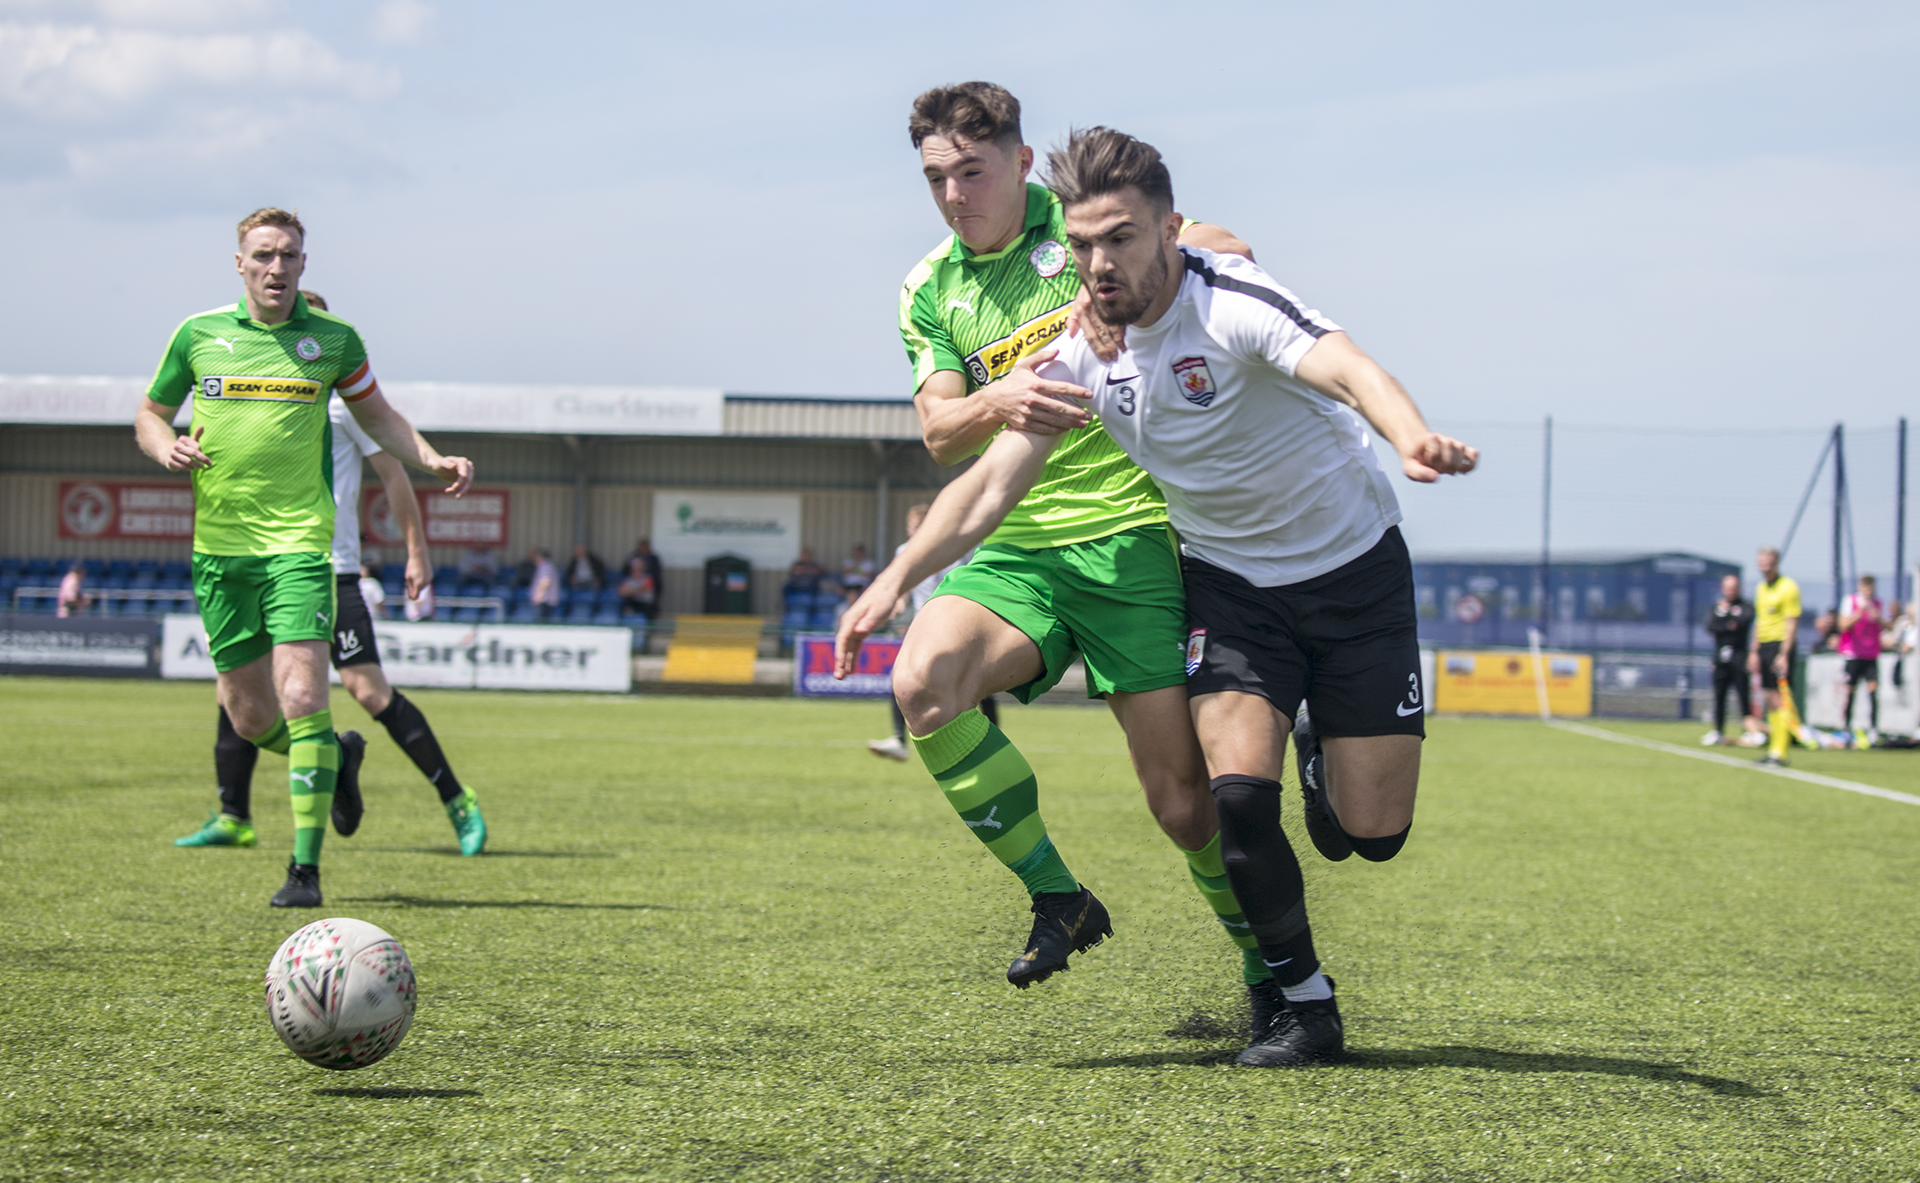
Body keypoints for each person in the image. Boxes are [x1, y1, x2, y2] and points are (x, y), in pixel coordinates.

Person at [842, 126, 1477, 1066]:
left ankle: (1327, 763)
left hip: (1349, 572)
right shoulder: (1072, 352)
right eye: (1089, 246)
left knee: (1362, 832)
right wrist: (895, 579)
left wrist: (1411, 435)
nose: (1099, 264)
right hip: (1227, 582)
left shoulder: (1233, 304)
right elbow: (985, 480)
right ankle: (1300, 1002)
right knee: (1233, 798)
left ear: (1169, 230)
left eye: (1122, 241)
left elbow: (1348, 366)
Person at [888, 83, 1271, 1006]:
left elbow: (1229, 248)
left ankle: (1271, 970)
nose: (953, 194)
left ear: (1021, 165)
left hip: (1132, 539)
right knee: (921, 683)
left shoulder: (1085, 224)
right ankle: (1059, 896)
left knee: (1183, 807)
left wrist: (1110, 298)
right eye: (937, 176)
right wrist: (998, 397)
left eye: (971, 172)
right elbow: (940, 430)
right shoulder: (929, 286)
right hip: (1014, 544)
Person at [134, 208, 473, 908]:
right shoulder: (199, 336)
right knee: (253, 717)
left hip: (299, 546)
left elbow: (379, 416)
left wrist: (433, 456)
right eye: (263, 254)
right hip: (221, 553)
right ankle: (337, 758)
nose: (276, 267)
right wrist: (161, 443)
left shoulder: (334, 340)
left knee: (303, 697)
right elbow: (148, 411)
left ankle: (304, 871)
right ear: (240, 263)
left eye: (289, 255)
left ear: (304, 264)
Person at [177, 290, 487, 858]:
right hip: (257, 558)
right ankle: (233, 814)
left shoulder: (341, 401)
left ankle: (457, 799)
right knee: (240, 692)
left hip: (328, 567)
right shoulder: (254, 388)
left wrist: (417, 552)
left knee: (368, 691)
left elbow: (394, 476)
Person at [868, 502, 997, 762]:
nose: (914, 532)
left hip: (956, 622)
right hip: (922, 623)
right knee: (900, 676)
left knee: (976, 680)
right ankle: (898, 739)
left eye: (918, 527)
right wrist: (899, 602)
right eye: (911, 527)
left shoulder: (956, 547)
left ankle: (994, 739)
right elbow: (903, 581)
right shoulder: (904, 551)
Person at [1748, 547, 1803, 767]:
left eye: (1769, 562)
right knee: (1769, 698)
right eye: (1761, 562)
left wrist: (1784, 654)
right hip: (1765, 646)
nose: (1765, 567)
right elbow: (1759, 622)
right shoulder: (1761, 588)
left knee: (1780, 698)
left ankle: (1781, 751)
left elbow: (1792, 623)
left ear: (1776, 563)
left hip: (1780, 645)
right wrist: (1753, 651)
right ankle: (1773, 749)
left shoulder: (1788, 587)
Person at [1701, 574, 1755, 746]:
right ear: (1723, 589)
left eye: (1734, 588)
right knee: (1719, 696)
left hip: (1740, 658)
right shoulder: (1717, 607)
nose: (1731, 591)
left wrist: (1727, 620)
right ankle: (1718, 730)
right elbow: (1711, 626)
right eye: (1727, 588)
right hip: (1720, 659)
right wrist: (1728, 621)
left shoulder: (1746, 606)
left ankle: (1749, 731)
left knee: (1743, 696)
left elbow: (1743, 622)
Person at [1837, 574, 1885, 735]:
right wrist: (1858, 615)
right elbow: (1843, 625)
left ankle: (1873, 729)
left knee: (1873, 690)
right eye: (1865, 588)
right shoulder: (1850, 601)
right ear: (1860, 587)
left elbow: (1886, 626)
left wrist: (1879, 619)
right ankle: (1847, 727)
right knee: (1851, 690)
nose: (1868, 591)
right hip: (1853, 654)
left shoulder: (1877, 605)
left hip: (1871, 655)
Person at [528, 548, 561, 619]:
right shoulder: (545, 566)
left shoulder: (545, 567)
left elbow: (545, 581)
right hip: (545, 602)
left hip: (544, 602)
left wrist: (538, 595)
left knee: (542, 625)